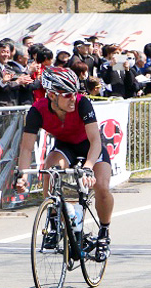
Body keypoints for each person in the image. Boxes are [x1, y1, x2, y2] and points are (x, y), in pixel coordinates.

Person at [15, 68, 113, 262]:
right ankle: (54, 223)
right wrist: (22, 176)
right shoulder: (37, 111)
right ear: (52, 95)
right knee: (51, 171)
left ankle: (104, 233)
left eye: (74, 93)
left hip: (90, 147)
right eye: (67, 95)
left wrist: (88, 166)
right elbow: (26, 148)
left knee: (101, 186)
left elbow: (95, 141)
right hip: (65, 147)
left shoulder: (82, 104)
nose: (72, 99)